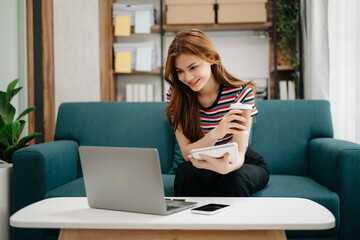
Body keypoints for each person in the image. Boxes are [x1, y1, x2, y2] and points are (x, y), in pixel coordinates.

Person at [164, 29, 269, 197]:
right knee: (185, 172)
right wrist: (216, 134)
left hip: (240, 163)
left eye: (193, 67)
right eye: (180, 71)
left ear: (211, 58)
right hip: (203, 161)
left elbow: (240, 155)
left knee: (234, 179)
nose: (188, 77)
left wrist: (226, 168)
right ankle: (186, 223)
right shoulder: (175, 95)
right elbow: (186, 153)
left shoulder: (240, 93)